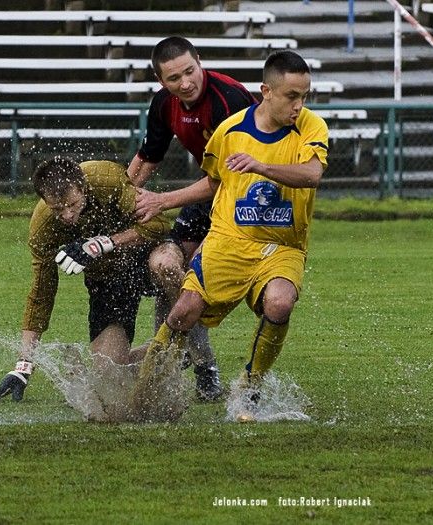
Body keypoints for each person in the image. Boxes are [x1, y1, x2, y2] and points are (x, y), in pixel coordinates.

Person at [133, 50, 328, 422]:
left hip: (283, 245)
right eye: (291, 96)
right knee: (183, 311)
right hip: (229, 240)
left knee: (280, 302)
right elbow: (213, 181)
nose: (299, 105)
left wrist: (261, 166)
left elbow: (312, 174)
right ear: (266, 92)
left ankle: (249, 388)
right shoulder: (230, 130)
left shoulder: (311, 126)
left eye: (304, 96)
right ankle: (146, 393)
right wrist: (161, 200)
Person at [128, 36, 257, 401]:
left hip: (247, 199)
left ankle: (197, 366)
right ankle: (184, 360)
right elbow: (148, 158)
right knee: (168, 271)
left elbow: (226, 179)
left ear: (199, 61)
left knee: (194, 281)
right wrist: (119, 200)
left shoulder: (228, 100)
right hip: (209, 192)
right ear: (160, 81)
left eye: (190, 71)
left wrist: (162, 201)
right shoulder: (163, 104)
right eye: (174, 78)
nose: (185, 83)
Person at [0, 157, 170, 404]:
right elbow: (41, 293)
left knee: (167, 264)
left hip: (145, 253)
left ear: (83, 187)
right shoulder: (43, 227)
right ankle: (169, 351)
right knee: (107, 377)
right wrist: (23, 366)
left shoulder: (106, 179)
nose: (67, 214)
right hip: (108, 279)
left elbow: (160, 224)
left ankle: (186, 328)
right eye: (57, 209)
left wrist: (104, 243)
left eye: (72, 204)